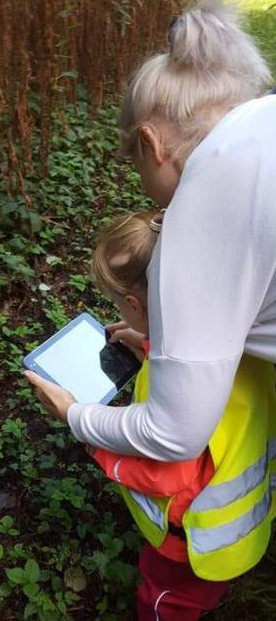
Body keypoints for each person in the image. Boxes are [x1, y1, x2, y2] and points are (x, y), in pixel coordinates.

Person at [25, 0, 276, 465]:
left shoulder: (199, 210)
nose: (143, 185)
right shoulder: (264, 117)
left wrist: (74, 412)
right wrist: (155, 338)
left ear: (150, 142)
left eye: (134, 165)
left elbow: (174, 434)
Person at [79, 209, 276, 620]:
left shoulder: (174, 390)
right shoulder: (249, 336)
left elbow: (162, 471)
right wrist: (149, 341)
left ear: (133, 303)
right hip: (246, 522)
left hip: (192, 545)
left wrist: (97, 445)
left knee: (165, 604)